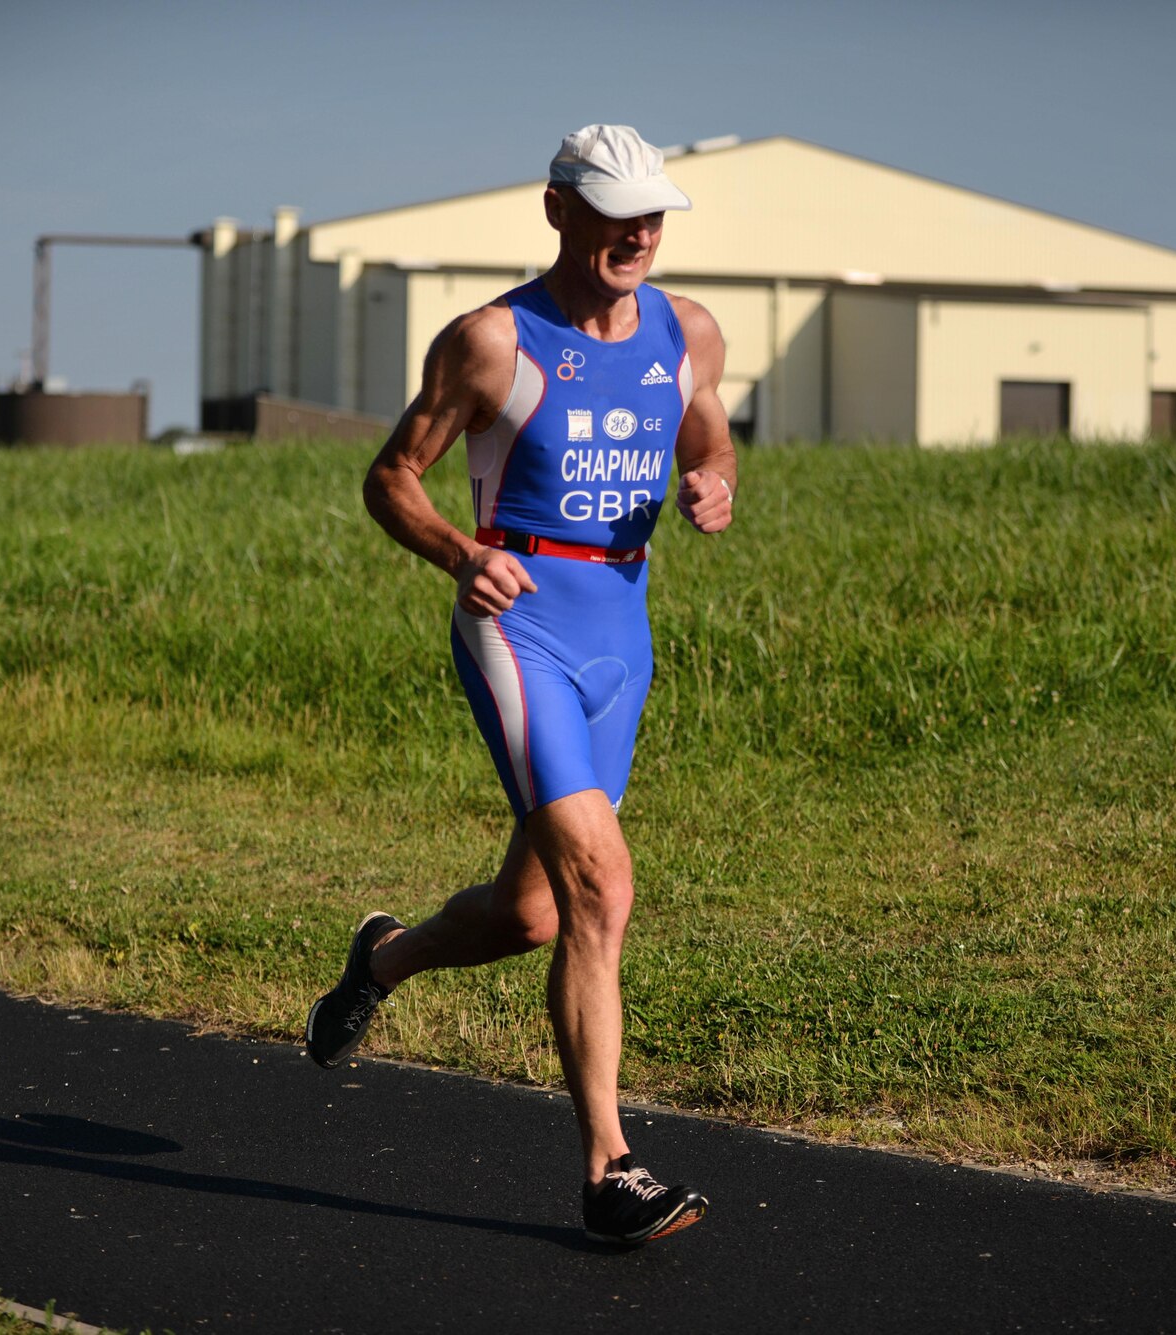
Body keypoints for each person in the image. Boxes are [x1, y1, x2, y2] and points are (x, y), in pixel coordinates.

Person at [305, 124, 736, 1247]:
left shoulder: (687, 331)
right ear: (558, 210)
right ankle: (609, 1170)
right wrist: (460, 553)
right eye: (614, 211)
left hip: (621, 637)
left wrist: (711, 481)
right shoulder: (493, 342)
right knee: (602, 883)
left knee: (535, 914)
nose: (638, 232)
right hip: (520, 631)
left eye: (653, 215)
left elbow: (710, 440)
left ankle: (383, 959)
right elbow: (390, 476)